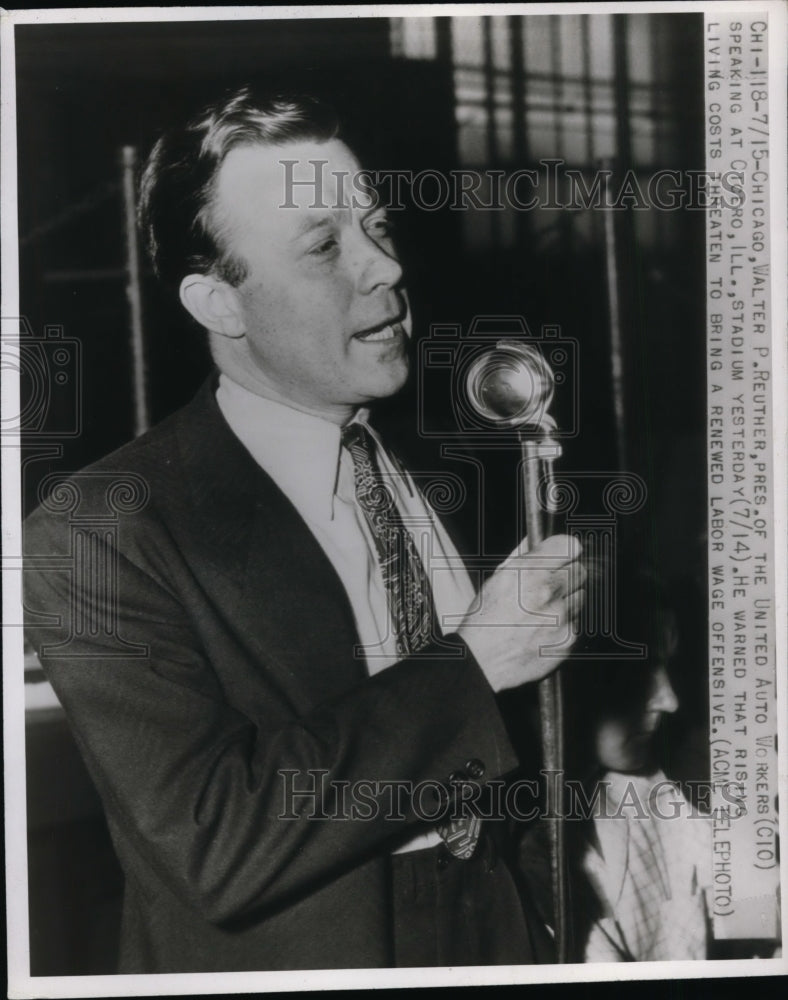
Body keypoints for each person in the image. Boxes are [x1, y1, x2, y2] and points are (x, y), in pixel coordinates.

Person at [23, 86, 586, 973]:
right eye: (325, 245)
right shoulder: (102, 529)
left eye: (378, 228)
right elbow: (216, 841)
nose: (385, 268)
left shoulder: (455, 460)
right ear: (219, 305)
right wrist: (476, 661)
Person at [518, 568, 712, 962]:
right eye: (640, 673)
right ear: (569, 684)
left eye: (667, 668)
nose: (669, 700)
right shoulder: (522, 862)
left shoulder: (653, 790)